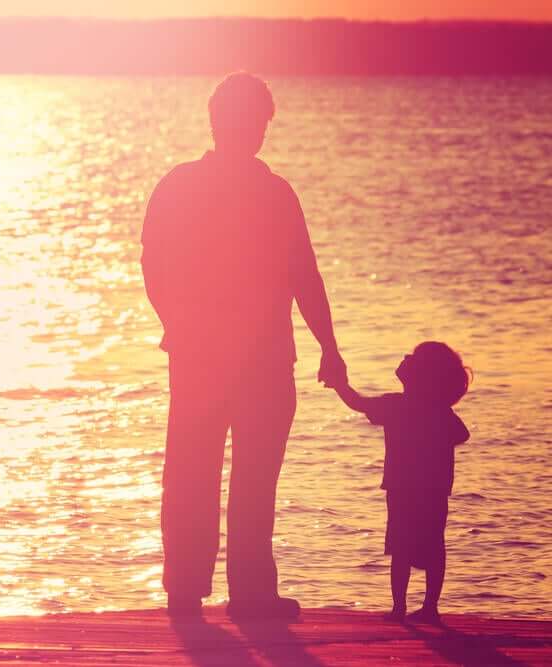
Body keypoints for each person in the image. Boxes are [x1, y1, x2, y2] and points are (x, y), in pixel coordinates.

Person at [141, 72, 347, 619]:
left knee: (200, 473)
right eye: (253, 121)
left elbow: (153, 264)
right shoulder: (264, 193)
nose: (255, 132)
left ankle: (197, 590)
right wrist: (328, 347)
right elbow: (305, 275)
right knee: (228, 476)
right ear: (247, 128)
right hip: (245, 358)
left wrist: (328, 345)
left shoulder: (193, 187)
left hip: (224, 357)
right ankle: (239, 592)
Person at [334, 341, 471, 624]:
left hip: (403, 488)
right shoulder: (435, 410)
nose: (406, 358)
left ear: (422, 374)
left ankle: (400, 608)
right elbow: (461, 434)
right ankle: (429, 607)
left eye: (413, 357)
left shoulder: (396, 405)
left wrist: (339, 383)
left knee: (402, 546)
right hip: (432, 489)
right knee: (433, 545)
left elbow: (357, 403)